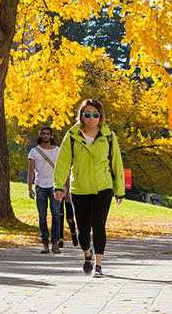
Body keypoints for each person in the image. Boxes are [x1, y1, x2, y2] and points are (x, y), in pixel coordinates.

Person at [53, 98, 124, 278]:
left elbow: (116, 163)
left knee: (99, 225)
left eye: (95, 115)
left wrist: (119, 189)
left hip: (103, 187)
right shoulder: (72, 136)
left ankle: (98, 265)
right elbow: (62, 163)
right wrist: (58, 186)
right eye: (87, 115)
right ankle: (87, 254)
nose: (91, 118)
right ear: (81, 116)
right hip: (80, 188)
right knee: (83, 229)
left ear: (100, 116)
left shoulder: (109, 136)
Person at [27, 126, 64, 253]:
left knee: (56, 214)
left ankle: (55, 242)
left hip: (55, 187)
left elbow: (62, 171)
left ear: (52, 136)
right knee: (42, 215)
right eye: (43, 134)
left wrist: (66, 188)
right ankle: (44, 243)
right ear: (40, 135)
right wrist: (29, 187)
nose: (46, 136)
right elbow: (31, 170)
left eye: (48, 134)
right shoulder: (34, 152)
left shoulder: (58, 151)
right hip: (40, 186)